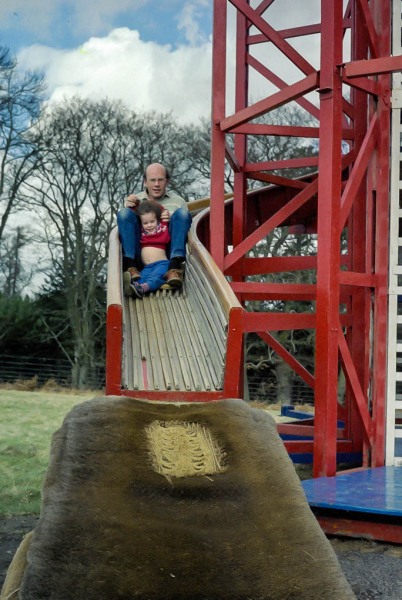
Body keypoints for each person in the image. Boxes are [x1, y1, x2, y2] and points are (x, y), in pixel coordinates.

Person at [117, 162, 192, 290]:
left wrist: (169, 221)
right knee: (124, 213)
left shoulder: (178, 202)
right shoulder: (136, 200)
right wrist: (129, 209)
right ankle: (130, 266)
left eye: (160, 180)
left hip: (165, 254)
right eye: (152, 180)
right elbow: (125, 228)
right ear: (145, 182)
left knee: (183, 214)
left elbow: (186, 232)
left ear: (167, 181)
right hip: (141, 251)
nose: (156, 184)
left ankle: (174, 268)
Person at [124, 201, 170, 299]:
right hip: (147, 267)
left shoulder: (162, 228)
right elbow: (133, 216)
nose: (149, 225)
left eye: (152, 222)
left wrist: (164, 212)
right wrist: (134, 205)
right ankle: (133, 287)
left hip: (162, 263)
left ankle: (144, 287)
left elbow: (160, 208)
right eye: (145, 223)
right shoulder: (143, 232)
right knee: (141, 277)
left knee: (157, 277)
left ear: (157, 220)